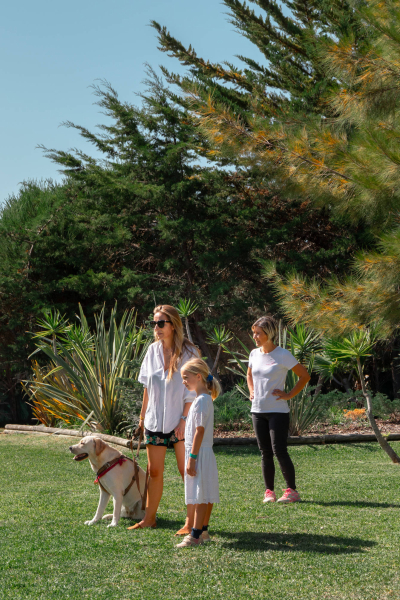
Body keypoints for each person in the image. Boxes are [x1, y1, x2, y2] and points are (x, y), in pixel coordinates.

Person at [128, 304, 199, 532]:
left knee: (184, 470)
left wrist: (183, 420)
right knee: (154, 471)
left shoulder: (190, 353)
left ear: (173, 324)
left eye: (161, 323)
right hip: (154, 421)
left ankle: (191, 522)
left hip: (181, 422)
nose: (156, 328)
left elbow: (193, 390)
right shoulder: (152, 351)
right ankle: (149, 518)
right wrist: (142, 418)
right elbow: (148, 387)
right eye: (154, 323)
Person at [247, 316, 310, 504]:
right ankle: (269, 492)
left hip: (278, 411)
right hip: (257, 410)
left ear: (270, 333)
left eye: (259, 333)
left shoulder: (283, 354)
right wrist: (251, 391)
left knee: (279, 449)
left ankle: (292, 491)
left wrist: (289, 395)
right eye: (254, 333)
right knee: (265, 451)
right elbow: (249, 374)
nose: (255, 336)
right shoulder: (253, 354)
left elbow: (304, 376)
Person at [176, 357, 221, 548]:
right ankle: (203, 532)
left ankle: (194, 536)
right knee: (201, 493)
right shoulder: (200, 399)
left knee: (200, 495)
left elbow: (199, 431)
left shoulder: (203, 400)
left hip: (199, 453)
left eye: (186, 377)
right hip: (197, 452)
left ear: (199, 376)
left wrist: (192, 458)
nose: (184, 381)